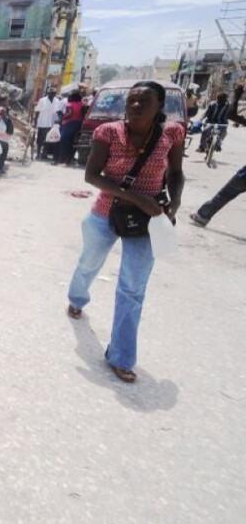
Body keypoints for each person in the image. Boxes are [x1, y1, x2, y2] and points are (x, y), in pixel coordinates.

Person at [65, 81, 184, 383]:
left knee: (132, 289)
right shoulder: (108, 132)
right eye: (131, 100)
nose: (135, 106)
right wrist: (136, 198)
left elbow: (175, 173)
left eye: (144, 101)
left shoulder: (171, 133)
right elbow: (91, 175)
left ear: (160, 105)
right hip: (107, 212)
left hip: (147, 221)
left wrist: (174, 204)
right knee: (89, 263)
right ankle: (77, 298)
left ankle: (120, 356)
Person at [190, 86, 246, 227]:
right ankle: (203, 146)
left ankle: (202, 215)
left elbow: (231, 115)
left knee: (226, 193)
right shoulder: (212, 106)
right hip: (212, 124)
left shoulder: (227, 106)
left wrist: (237, 94)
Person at [55, 90, 85, 165]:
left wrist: (63, 117)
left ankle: (63, 158)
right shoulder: (81, 104)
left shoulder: (69, 104)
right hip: (78, 124)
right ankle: (70, 158)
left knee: (64, 141)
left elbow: (69, 112)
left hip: (69, 124)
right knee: (73, 142)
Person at [32, 88, 62, 159]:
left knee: (49, 140)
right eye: (51, 93)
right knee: (40, 140)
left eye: (54, 93)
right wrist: (35, 121)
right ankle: (38, 154)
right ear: (48, 93)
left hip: (52, 124)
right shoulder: (42, 100)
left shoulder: (57, 101)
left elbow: (58, 112)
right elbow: (37, 111)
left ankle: (44, 154)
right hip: (43, 123)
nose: (52, 94)